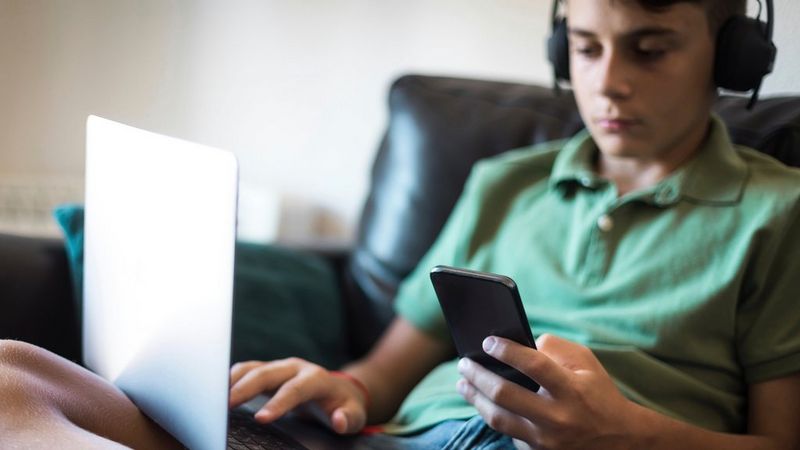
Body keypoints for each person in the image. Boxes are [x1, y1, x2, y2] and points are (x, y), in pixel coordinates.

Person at [2, 0, 799, 448]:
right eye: (586, 49)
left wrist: (623, 433)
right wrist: (337, 385)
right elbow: (382, 372)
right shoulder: (504, 184)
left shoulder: (778, 213)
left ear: (731, 59)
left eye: (650, 50)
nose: (609, 83)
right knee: (13, 375)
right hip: (391, 443)